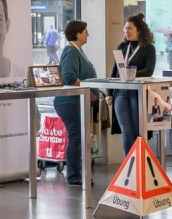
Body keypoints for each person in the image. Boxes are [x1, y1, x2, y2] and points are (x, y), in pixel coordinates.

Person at [56, 20, 99, 186]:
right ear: (78, 33)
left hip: (77, 102)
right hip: (69, 102)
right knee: (76, 137)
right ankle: (74, 176)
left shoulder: (78, 51)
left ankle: (78, 173)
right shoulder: (71, 51)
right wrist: (89, 92)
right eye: (85, 31)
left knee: (79, 137)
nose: (88, 34)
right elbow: (69, 77)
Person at [108, 12, 157, 157]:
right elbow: (115, 70)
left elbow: (148, 71)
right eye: (125, 29)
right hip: (121, 92)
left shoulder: (149, 48)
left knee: (138, 130)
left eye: (130, 29)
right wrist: (109, 93)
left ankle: (141, 161)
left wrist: (130, 74)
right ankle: (129, 163)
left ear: (139, 30)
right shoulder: (122, 46)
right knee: (126, 131)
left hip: (138, 93)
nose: (126, 32)